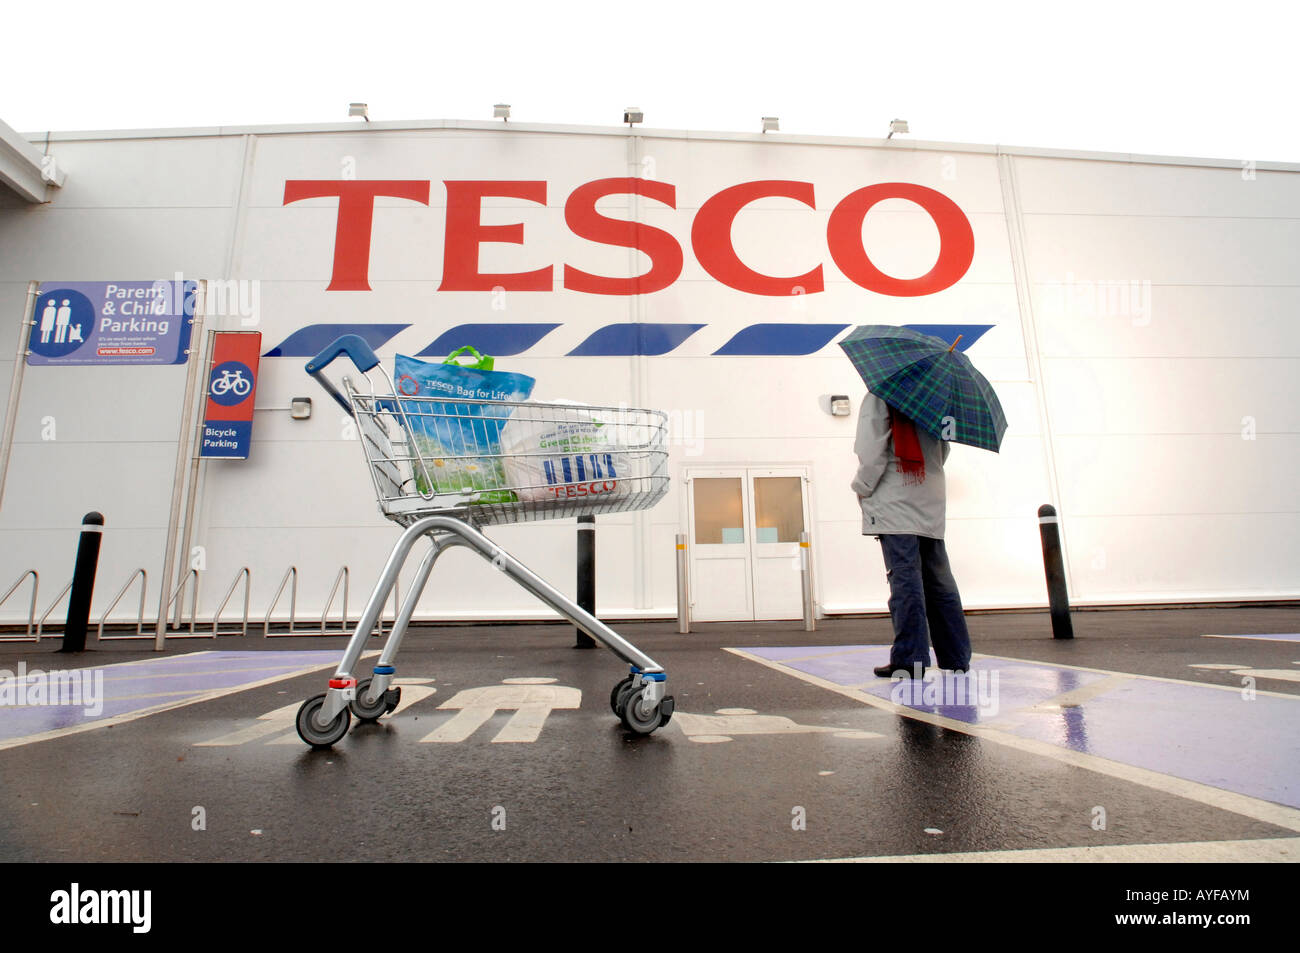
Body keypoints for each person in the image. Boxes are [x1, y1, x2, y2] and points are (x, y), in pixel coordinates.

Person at [851, 390, 971, 678]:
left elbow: (871, 450)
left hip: (895, 498)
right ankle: (955, 657)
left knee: (905, 581)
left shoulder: (882, 394)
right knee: (940, 582)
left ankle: (910, 659)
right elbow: (943, 452)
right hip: (929, 498)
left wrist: (862, 487)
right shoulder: (936, 398)